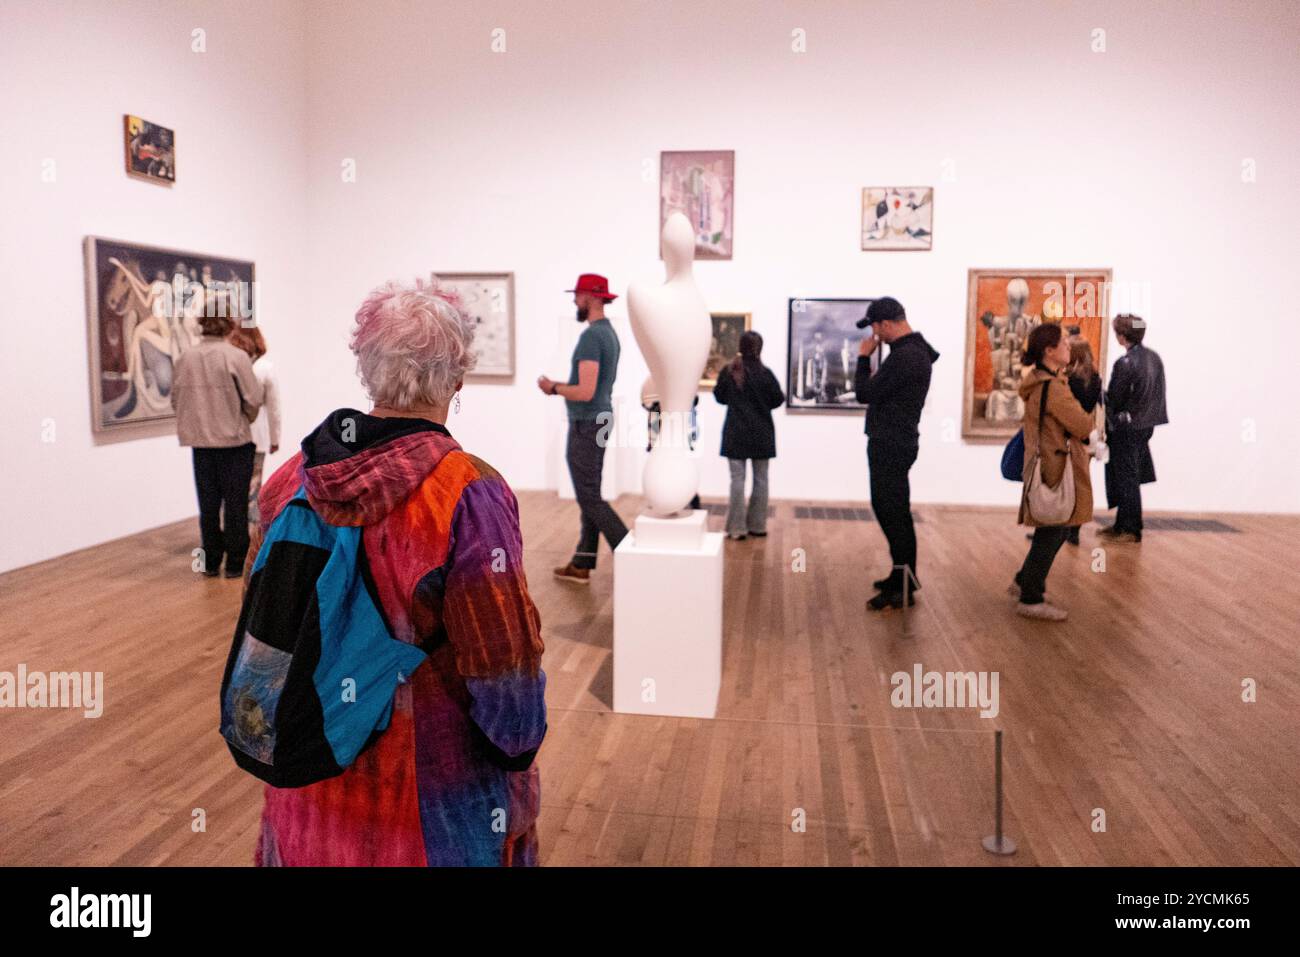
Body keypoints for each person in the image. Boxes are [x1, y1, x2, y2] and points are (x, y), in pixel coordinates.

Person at [251, 277, 546, 866]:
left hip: (306, 781)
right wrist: (518, 754)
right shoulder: (466, 494)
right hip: (428, 807)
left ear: (367, 368)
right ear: (457, 378)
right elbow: (504, 669)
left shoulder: (291, 481)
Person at [539, 273, 628, 584]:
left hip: (587, 421)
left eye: (577, 295)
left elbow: (585, 391)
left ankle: (629, 551)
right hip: (599, 419)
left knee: (588, 496)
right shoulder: (609, 334)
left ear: (591, 297)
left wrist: (553, 388)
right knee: (590, 492)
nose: (574, 301)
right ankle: (582, 561)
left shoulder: (592, 337)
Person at [853, 297, 940, 611]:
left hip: (891, 442)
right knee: (895, 510)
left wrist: (863, 359)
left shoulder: (906, 356)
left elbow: (865, 393)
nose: (875, 335)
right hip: (898, 440)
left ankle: (904, 584)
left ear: (886, 324)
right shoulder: (912, 352)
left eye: (875, 327)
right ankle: (901, 576)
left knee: (893, 512)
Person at [1012, 323, 1100, 621]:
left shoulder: (1042, 382)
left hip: (1049, 460)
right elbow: (1083, 425)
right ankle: (1030, 596)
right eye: (1063, 343)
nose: (1068, 347)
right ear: (1049, 351)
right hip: (1055, 464)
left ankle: (1024, 580)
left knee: (1050, 528)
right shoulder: (1052, 388)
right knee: (1055, 528)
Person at [171, 301, 263, 578]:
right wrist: (242, 417)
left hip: (200, 444)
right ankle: (235, 563)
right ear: (229, 322)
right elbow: (254, 400)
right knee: (235, 504)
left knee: (208, 505)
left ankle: (210, 561)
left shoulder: (185, 358)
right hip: (234, 443)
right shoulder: (236, 357)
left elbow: (176, 400)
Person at [1100, 314, 1167, 543]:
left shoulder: (1126, 363)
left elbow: (1115, 398)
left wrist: (1097, 394)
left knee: (1126, 476)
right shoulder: (1154, 358)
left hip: (1126, 428)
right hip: (1145, 425)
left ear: (1121, 336)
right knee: (1131, 475)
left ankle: (1130, 529)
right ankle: (1123, 524)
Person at [712, 330, 784, 539]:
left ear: (740, 348)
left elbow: (720, 398)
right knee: (761, 480)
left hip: (736, 432)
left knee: (737, 481)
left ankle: (736, 528)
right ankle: (758, 526)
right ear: (760, 349)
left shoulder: (730, 371)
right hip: (762, 433)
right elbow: (777, 400)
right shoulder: (766, 374)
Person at [227, 326, 281, 530]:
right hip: (258, 437)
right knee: (252, 486)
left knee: (233, 486)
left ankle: (235, 529)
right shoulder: (265, 368)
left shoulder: (231, 366)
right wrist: (275, 439)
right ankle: (250, 535)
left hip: (232, 437)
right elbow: (274, 408)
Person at [1063, 338, 1103, 545]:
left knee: (1061, 483)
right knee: (1080, 483)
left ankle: (1055, 529)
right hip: (1086, 435)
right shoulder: (1096, 378)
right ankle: (1073, 531)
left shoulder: (1070, 380)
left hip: (1068, 435)